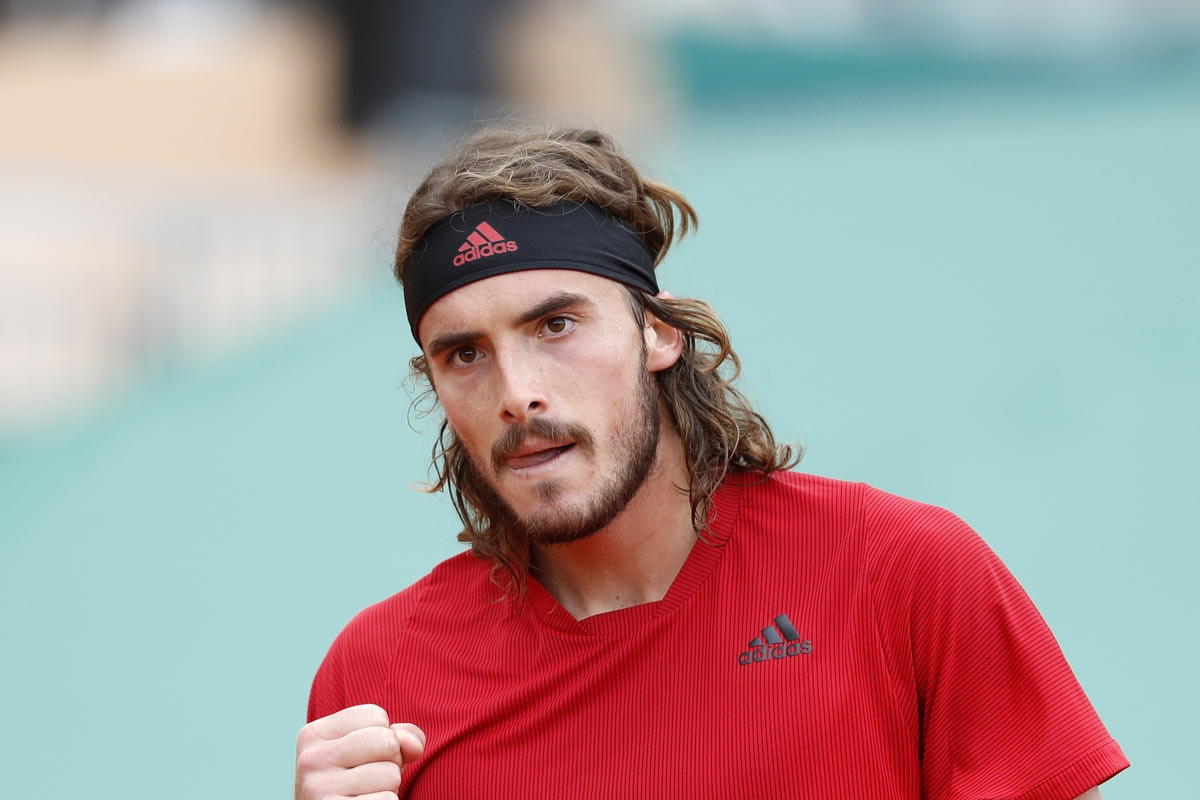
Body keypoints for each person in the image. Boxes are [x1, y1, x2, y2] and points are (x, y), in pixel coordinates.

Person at [295, 126, 1128, 800]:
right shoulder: (377, 673)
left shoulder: (904, 573)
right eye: (465, 354)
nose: (516, 393)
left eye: (556, 326)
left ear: (658, 333)